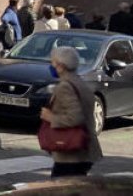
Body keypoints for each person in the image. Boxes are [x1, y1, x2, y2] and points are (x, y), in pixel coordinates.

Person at [39, 46, 103, 177]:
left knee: (60, 188)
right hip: (85, 149)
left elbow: (75, 117)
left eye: (53, 62)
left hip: (72, 152)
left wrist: (50, 117)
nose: (51, 66)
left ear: (61, 66)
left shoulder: (65, 87)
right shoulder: (80, 83)